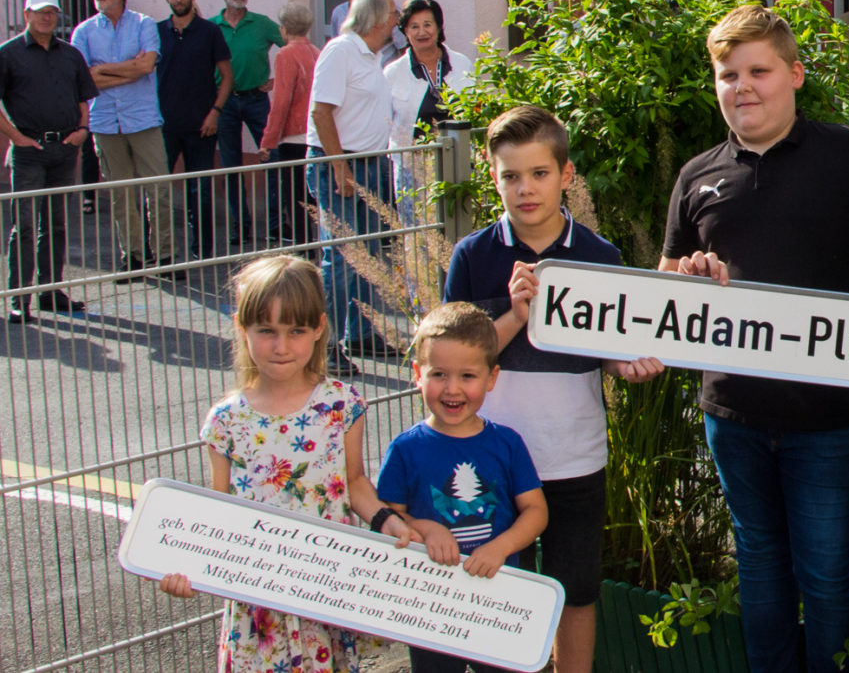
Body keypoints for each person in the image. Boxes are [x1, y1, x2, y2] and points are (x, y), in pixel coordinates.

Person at [661, 6, 849, 673]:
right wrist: (687, 278)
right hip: (731, 411)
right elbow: (666, 285)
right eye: (726, 74)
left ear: (794, 75)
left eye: (758, 71)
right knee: (761, 569)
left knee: (827, 575)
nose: (741, 86)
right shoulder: (697, 175)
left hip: (829, 415)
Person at [447, 105, 664, 673]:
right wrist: (519, 314)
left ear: (565, 175)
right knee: (496, 585)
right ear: (492, 177)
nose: (525, 189)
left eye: (539, 174)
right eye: (510, 176)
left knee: (576, 587)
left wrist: (628, 366)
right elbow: (453, 361)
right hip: (490, 460)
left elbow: (610, 353)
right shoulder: (472, 257)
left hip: (574, 454)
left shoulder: (600, 256)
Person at [156, 255, 413, 672]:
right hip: (256, 606)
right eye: (266, 331)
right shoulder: (226, 421)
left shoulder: (341, 405)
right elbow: (215, 510)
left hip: (322, 594)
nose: (281, 346)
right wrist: (186, 569)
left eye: (296, 330)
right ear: (242, 327)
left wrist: (387, 520)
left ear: (318, 329)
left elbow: (353, 481)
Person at [375, 302, 549, 673]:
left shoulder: (507, 443)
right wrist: (425, 527)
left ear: (491, 377)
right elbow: (387, 515)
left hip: (500, 598)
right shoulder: (405, 449)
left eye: (468, 376)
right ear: (417, 374)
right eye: (439, 374)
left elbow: (536, 511)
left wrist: (501, 547)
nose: (452, 389)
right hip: (430, 604)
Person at [309, 0, 401, 375]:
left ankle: (360, 333)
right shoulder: (341, 51)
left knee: (366, 255)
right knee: (343, 257)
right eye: (394, 13)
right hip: (342, 164)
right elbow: (321, 112)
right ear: (378, 18)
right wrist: (339, 168)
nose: (398, 19)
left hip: (368, 162)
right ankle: (325, 345)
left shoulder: (369, 56)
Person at [1, 0, 96, 321]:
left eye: (52, 12)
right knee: (24, 226)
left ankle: (49, 291)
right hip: (28, 152)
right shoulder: (8, 54)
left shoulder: (70, 54)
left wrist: (82, 131)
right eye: (40, 12)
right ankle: (18, 297)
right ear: (27, 15)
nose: (47, 17)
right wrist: (16, 138)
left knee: (55, 224)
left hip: (63, 149)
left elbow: (84, 97)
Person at [71, 0, 172, 275]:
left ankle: (166, 255)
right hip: (104, 122)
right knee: (121, 193)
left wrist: (103, 70)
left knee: (159, 188)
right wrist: (122, 70)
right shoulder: (84, 31)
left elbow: (146, 67)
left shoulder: (143, 24)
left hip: (142, 119)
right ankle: (133, 255)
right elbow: (84, 79)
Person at [157, 0, 234, 262]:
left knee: (199, 191)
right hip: (163, 125)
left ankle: (201, 251)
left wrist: (215, 112)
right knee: (159, 190)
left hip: (203, 124)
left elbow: (227, 77)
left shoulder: (209, 31)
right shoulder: (156, 32)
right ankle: (161, 250)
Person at [213, 0, 285, 248]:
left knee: (272, 159)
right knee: (231, 164)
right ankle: (239, 225)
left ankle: (277, 224)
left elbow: (291, 47)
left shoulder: (261, 23)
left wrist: (278, 80)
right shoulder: (212, 26)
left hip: (256, 99)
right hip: (225, 103)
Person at [257, 2, 321, 244]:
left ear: (284, 29)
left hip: (293, 136)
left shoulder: (286, 54)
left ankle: (303, 253)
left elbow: (281, 101)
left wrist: (268, 141)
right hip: (315, 135)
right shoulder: (316, 51)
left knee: (296, 201)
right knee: (312, 199)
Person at [385, 0, 476, 151]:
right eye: (414, 26)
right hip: (412, 162)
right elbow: (385, 122)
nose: (422, 32)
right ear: (405, 31)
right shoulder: (393, 72)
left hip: (459, 158)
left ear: (439, 27)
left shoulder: (462, 63)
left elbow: (475, 110)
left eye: (427, 25)